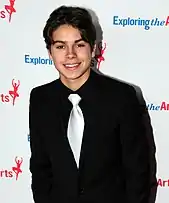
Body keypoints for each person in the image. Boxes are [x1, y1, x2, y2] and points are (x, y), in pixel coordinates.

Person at [29, 5, 152, 203]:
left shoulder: (122, 97)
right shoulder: (40, 98)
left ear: (93, 49)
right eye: (60, 46)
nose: (70, 54)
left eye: (79, 45)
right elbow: (40, 167)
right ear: (50, 52)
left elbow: (138, 172)